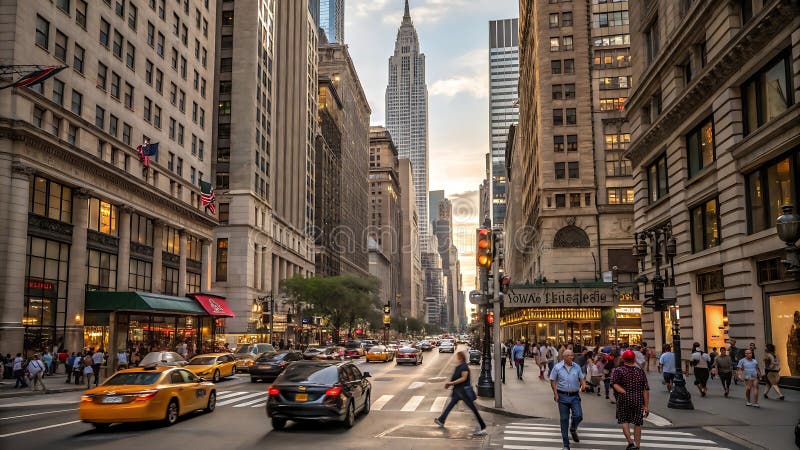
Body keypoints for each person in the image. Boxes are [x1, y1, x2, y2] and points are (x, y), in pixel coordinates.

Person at [434, 351, 487, 436]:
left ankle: (482, 427)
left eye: (457, 357)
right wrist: (450, 384)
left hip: (463, 391)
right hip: (458, 391)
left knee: (473, 408)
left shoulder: (464, 367)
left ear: (461, 358)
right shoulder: (460, 366)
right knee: (450, 405)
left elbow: (463, 378)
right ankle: (441, 419)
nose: (457, 358)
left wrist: (451, 383)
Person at [611, 350, 650, 450]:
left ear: (623, 359)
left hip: (624, 399)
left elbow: (614, 383)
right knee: (638, 423)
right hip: (638, 400)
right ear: (634, 359)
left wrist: (623, 391)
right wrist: (646, 406)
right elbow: (645, 389)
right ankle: (637, 445)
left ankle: (630, 443)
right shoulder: (640, 371)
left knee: (625, 421)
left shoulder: (618, 370)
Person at [550, 349, 587, 450]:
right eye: (569, 356)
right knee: (564, 420)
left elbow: (581, 378)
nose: (572, 357)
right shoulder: (557, 367)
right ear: (564, 357)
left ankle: (573, 428)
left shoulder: (577, 367)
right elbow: (552, 380)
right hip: (562, 396)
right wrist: (555, 394)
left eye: (572, 355)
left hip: (575, 396)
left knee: (579, 415)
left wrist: (583, 384)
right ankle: (566, 445)